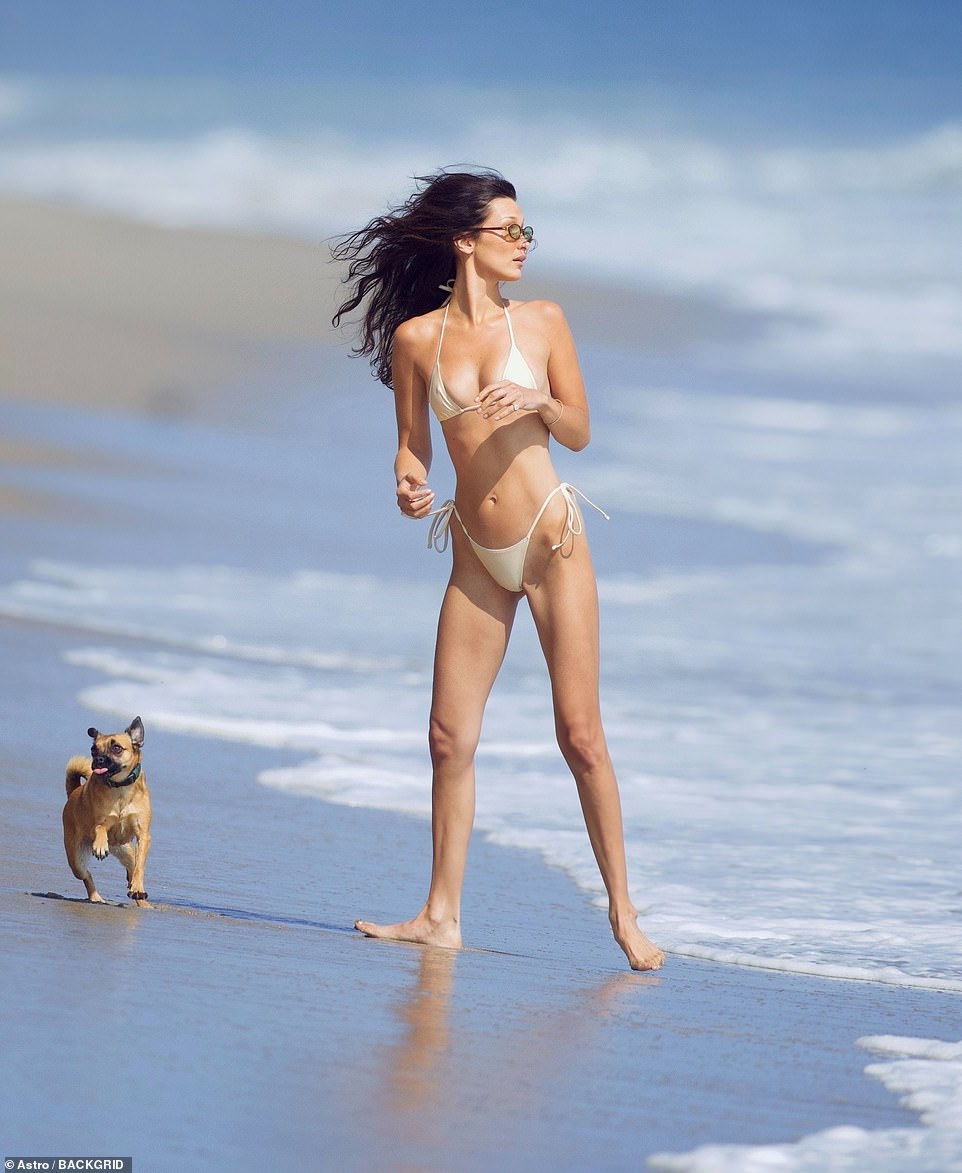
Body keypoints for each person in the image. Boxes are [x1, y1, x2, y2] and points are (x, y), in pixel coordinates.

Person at [331, 168, 664, 971]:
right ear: (464, 240)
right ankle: (440, 914)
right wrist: (409, 480)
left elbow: (579, 429)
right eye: (508, 230)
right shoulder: (419, 339)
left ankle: (624, 913)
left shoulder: (543, 322)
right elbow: (412, 443)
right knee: (448, 737)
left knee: (579, 735)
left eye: (526, 231)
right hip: (477, 552)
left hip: (552, 543)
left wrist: (541, 406)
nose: (522, 244)